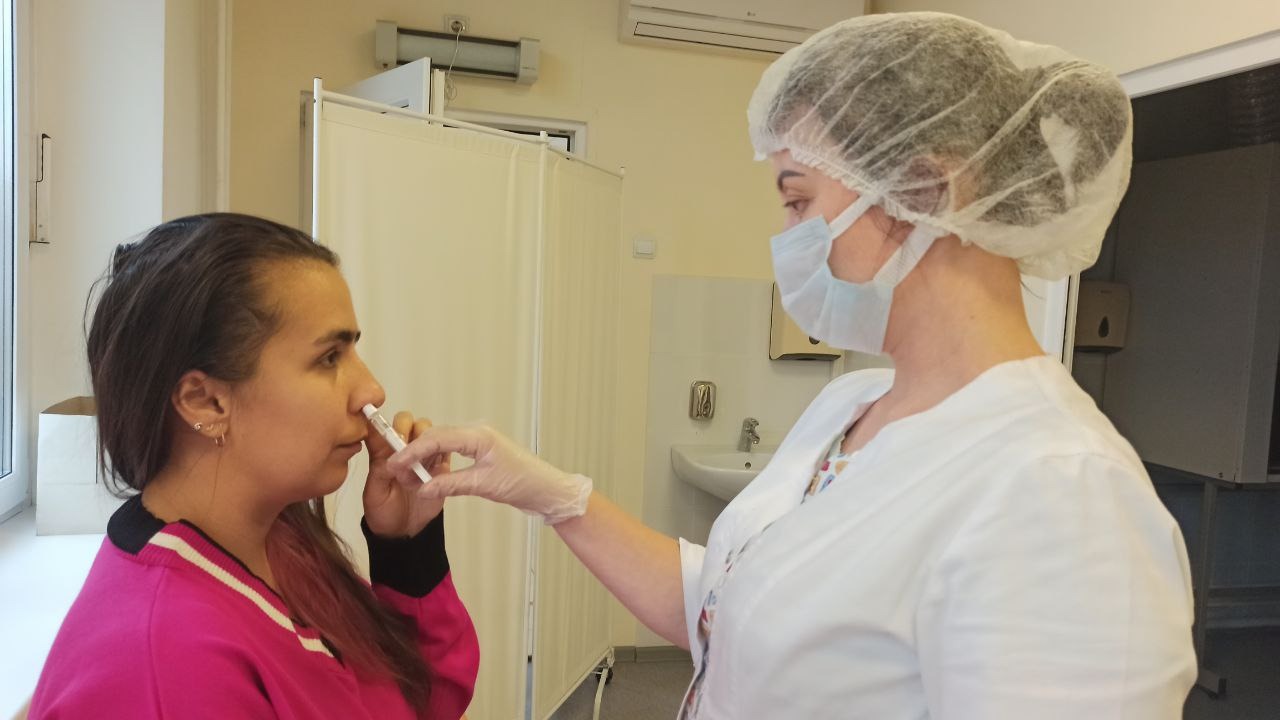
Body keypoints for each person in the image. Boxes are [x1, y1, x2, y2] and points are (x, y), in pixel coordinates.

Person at [388, 12, 1196, 719]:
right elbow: (729, 610)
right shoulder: (853, 406)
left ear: (922, 190)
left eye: (799, 199)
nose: (787, 238)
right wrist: (553, 495)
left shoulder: (1057, 492)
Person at [29, 214, 479, 719]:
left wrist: (407, 549)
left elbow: (421, 703)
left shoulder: (283, 541)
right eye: (329, 357)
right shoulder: (163, 667)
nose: (371, 391)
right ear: (205, 402)